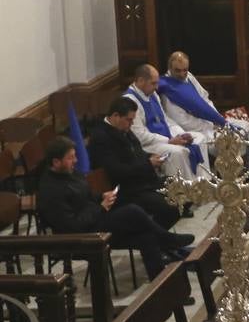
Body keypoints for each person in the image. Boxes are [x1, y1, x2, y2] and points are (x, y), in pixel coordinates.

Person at [37, 136, 193, 279]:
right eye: (70, 158)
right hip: (81, 236)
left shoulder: (70, 173)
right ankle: (167, 239)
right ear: (56, 162)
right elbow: (71, 226)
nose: (76, 160)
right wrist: (101, 208)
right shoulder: (50, 191)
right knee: (132, 211)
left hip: (95, 222)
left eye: (74, 156)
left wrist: (102, 197)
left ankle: (164, 286)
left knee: (147, 236)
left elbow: (87, 196)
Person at [87, 96, 180, 229]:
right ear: (115, 116)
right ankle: (158, 238)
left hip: (143, 182)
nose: (131, 124)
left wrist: (151, 156)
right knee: (168, 205)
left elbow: (137, 152)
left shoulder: (123, 128)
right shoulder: (101, 137)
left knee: (182, 189)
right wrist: (148, 164)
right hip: (127, 190)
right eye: (129, 120)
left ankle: (159, 236)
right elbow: (116, 171)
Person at [158, 51, 249, 158]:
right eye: (177, 71)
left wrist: (216, 119)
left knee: (245, 126)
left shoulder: (189, 77)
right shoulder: (167, 89)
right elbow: (182, 121)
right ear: (169, 68)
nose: (182, 74)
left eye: (185, 70)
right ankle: (232, 170)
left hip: (210, 123)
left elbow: (205, 98)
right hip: (198, 130)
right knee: (228, 141)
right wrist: (210, 124)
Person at [124, 64, 211, 181]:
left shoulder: (153, 94)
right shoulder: (130, 100)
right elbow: (140, 135)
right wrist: (169, 141)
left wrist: (180, 135)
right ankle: (185, 191)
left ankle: (204, 183)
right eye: (153, 83)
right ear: (140, 81)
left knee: (199, 138)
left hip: (167, 139)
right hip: (149, 145)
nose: (157, 87)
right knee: (179, 152)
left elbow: (165, 119)